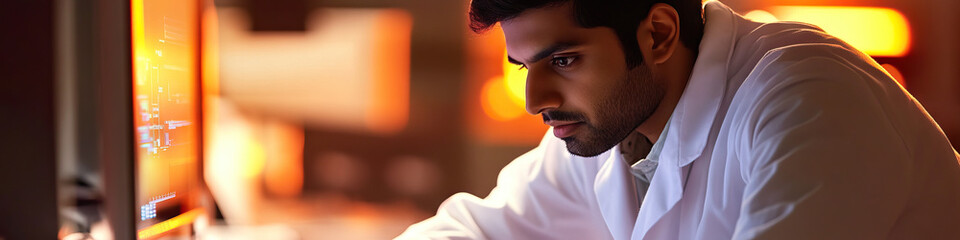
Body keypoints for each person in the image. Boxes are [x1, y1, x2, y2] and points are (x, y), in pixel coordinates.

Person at [397, 0, 960, 239]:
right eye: (523, 66)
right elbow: (477, 230)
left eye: (563, 60)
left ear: (659, 33)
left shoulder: (809, 98)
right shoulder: (616, 132)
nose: (532, 97)